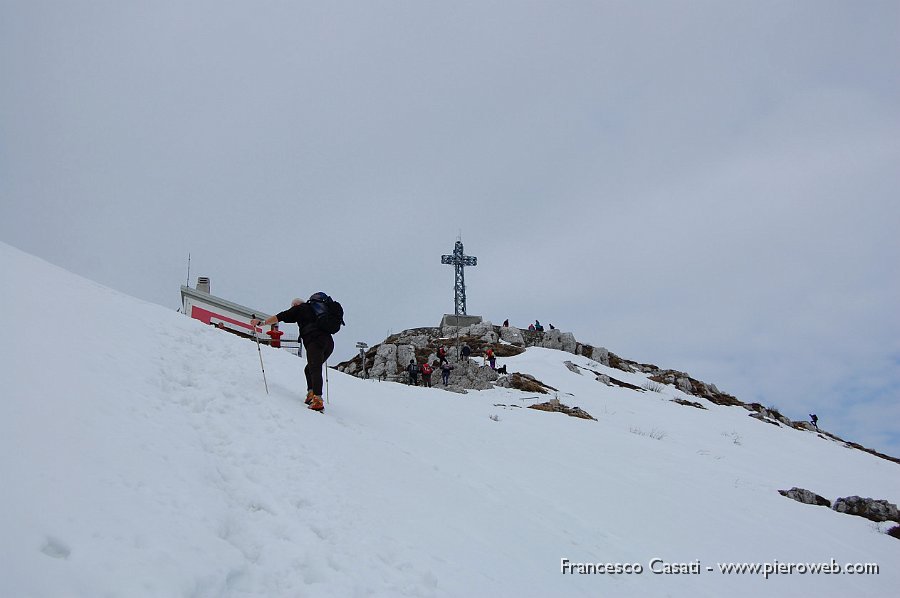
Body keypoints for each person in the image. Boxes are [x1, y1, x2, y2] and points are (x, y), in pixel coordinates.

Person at [251, 297, 334, 412]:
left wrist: (262, 323)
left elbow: (280, 316)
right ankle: (311, 393)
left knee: (314, 368)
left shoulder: (299, 308)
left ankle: (317, 400)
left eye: (292, 307)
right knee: (309, 368)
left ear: (295, 305)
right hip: (329, 343)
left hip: (315, 340)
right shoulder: (315, 312)